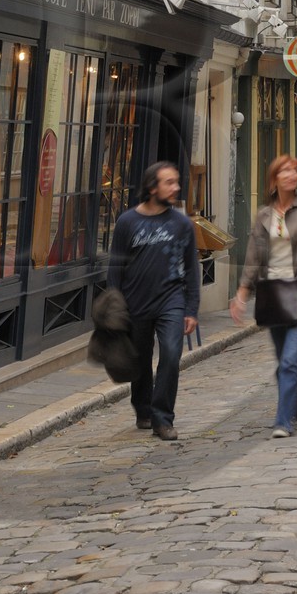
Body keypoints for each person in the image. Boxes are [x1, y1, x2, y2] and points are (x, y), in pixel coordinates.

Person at [229, 154, 297, 439]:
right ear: (274, 178)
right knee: (283, 361)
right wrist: (242, 292)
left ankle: (283, 420)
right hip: (271, 294)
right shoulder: (264, 215)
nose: (291, 175)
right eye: (285, 171)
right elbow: (254, 256)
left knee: (291, 359)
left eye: (295, 171)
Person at [106, 161, 201, 441]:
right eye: (169, 182)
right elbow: (115, 268)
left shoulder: (181, 224)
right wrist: (114, 307)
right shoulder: (127, 222)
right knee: (140, 359)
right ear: (152, 187)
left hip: (170, 300)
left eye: (176, 181)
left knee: (171, 354)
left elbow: (192, 268)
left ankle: (163, 418)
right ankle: (143, 408)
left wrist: (191, 308)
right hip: (135, 302)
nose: (176, 187)